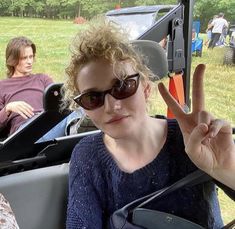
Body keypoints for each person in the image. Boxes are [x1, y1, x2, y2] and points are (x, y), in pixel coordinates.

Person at [64, 19, 235, 229]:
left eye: (123, 86)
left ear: (145, 88)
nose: (112, 106)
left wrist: (226, 169)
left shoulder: (194, 140)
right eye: (92, 98)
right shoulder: (87, 157)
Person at [0, 36, 82, 141]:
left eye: (31, 57)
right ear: (13, 60)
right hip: (24, 131)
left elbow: (59, 103)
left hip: (48, 123)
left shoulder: (42, 79)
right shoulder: (2, 86)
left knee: (80, 103)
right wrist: (8, 108)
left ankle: (76, 129)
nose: (29, 61)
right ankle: (76, 132)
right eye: (24, 58)